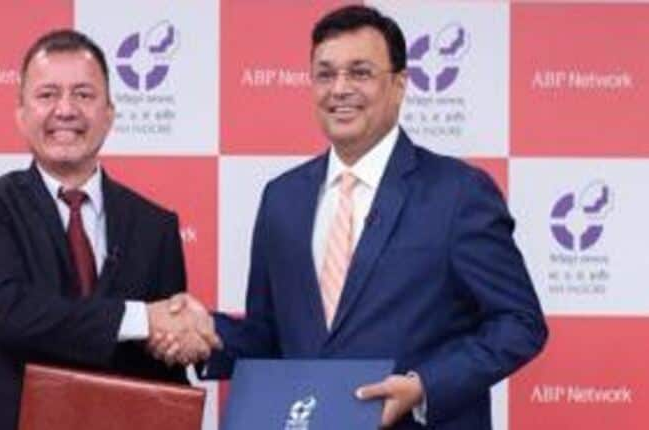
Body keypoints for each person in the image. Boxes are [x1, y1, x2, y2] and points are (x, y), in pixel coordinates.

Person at [152, 5, 548, 429]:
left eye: (360, 73)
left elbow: (519, 323)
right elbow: (268, 336)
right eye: (325, 74)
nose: (339, 89)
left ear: (399, 85)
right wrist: (207, 333)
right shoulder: (282, 198)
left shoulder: (458, 193)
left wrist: (424, 386)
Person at [0, 29, 217, 430]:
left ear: (109, 114)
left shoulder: (156, 225)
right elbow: (10, 313)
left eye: (84, 94)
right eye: (47, 94)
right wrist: (142, 319)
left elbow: (166, 362)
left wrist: (187, 340)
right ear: (21, 114)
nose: (66, 110)